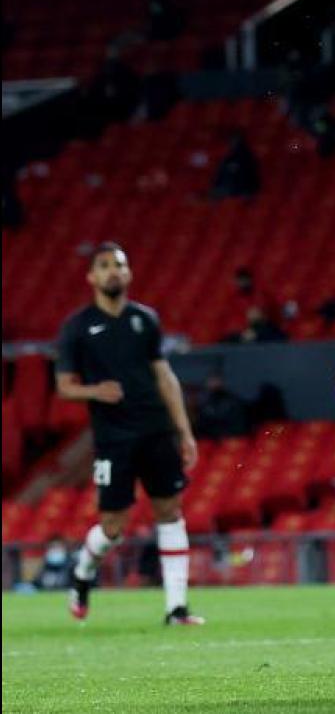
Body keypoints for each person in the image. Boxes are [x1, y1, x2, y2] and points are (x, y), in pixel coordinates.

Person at [55, 242, 202, 625]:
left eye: (119, 264)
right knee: (114, 527)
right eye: (104, 265)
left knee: (169, 511)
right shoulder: (77, 327)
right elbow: (64, 385)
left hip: (155, 429)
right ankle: (83, 572)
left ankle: (176, 608)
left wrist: (183, 430)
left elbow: (164, 376)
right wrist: (95, 391)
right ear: (92, 277)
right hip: (114, 437)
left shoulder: (145, 320)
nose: (113, 271)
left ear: (129, 273)